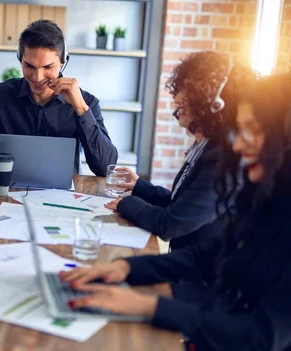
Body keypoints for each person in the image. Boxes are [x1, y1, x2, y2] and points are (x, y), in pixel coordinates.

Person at [61, 74, 291, 351]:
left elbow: (263, 336)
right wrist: (126, 268)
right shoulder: (268, 200)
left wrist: (150, 307)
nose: (240, 145)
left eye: (253, 130)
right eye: (239, 132)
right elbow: (208, 254)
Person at [105, 51, 254, 251]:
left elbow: (170, 223)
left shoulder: (223, 158)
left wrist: (126, 203)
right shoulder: (206, 146)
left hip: (199, 274)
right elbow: (182, 204)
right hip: (183, 262)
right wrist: (140, 186)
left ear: (212, 101)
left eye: (186, 92)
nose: (177, 99)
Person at [0, 20, 117, 176]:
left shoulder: (86, 103)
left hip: (62, 195)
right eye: (29, 66)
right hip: (7, 189)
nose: (37, 77)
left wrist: (81, 109)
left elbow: (105, 168)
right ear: (20, 59)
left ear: (62, 62)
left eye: (48, 67)